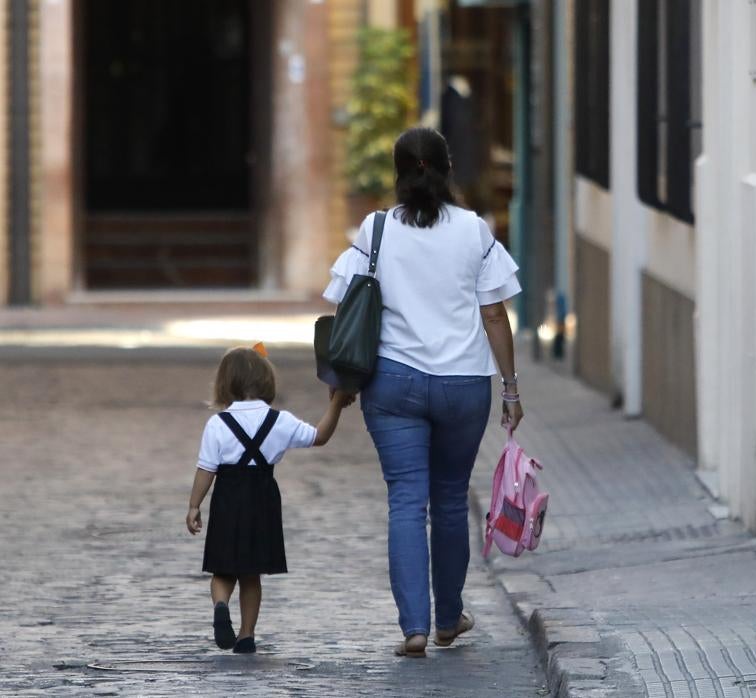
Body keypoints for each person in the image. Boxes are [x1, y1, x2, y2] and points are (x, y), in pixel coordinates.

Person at [324, 127, 523, 658]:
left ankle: (414, 627)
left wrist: (342, 384)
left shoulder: (376, 229)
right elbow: (494, 313)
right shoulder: (474, 231)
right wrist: (510, 387)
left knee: (407, 501)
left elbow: (344, 301)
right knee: (451, 499)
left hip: (393, 383)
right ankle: (449, 618)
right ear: (448, 168)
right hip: (464, 385)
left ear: (396, 173)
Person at [186, 344, 353, 653]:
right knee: (251, 574)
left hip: (227, 499)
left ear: (225, 383)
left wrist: (194, 505)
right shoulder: (280, 420)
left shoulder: (218, 424)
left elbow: (206, 469)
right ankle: (246, 636)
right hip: (262, 500)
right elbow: (319, 436)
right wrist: (337, 403)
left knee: (223, 568)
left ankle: (221, 606)